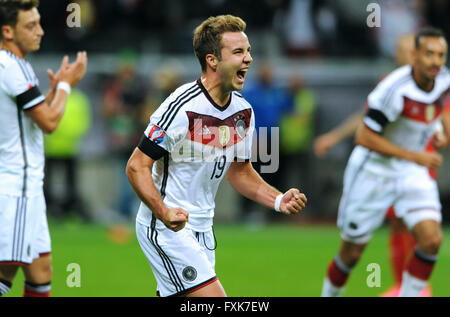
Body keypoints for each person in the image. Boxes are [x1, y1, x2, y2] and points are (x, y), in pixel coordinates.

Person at [126, 15, 307, 297]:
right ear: (212, 60)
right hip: (166, 228)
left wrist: (278, 199)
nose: (248, 59)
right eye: (238, 52)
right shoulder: (181, 106)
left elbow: (240, 171)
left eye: (248, 51)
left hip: (203, 230)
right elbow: (137, 165)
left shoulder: (243, 112)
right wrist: (162, 212)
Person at [320, 27, 449, 297]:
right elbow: (364, 136)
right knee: (352, 253)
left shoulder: (444, 80)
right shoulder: (393, 88)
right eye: (429, 54)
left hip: (412, 171)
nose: (435, 61)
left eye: (440, 55)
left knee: (431, 240)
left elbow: (441, 109)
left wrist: (444, 135)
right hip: (373, 171)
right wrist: (417, 155)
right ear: (414, 56)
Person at [0, 0, 87, 297]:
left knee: (41, 271)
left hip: (28, 187)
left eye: (39, 22)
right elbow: (49, 123)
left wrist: (52, 94)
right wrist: (65, 86)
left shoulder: (14, 66)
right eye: (30, 25)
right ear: (7, 32)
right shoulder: (11, 66)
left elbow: (34, 119)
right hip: (16, 186)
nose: (40, 31)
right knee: (5, 273)